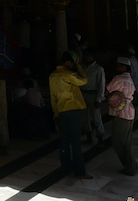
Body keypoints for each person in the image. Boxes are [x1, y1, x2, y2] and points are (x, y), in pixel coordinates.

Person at [49, 51, 92, 179]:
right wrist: (79, 66)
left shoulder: (52, 76)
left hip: (61, 111)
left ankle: (65, 168)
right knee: (76, 142)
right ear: (68, 62)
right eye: (72, 63)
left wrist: (55, 114)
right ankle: (80, 171)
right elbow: (84, 81)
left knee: (64, 142)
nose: (72, 65)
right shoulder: (68, 74)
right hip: (72, 110)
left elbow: (53, 97)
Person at [106, 57, 138, 176]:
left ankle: (130, 165)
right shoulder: (130, 79)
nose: (117, 68)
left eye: (119, 66)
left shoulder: (118, 78)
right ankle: (132, 166)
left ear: (124, 67)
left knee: (116, 141)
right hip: (130, 112)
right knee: (127, 142)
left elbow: (107, 90)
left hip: (122, 113)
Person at [80, 49, 106, 146]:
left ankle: (100, 137)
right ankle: (88, 136)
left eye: (89, 56)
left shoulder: (98, 69)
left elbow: (101, 85)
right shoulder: (82, 67)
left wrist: (99, 98)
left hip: (93, 94)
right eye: (86, 56)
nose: (87, 58)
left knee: (96, 117)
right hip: (83, 94)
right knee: (84, 117)